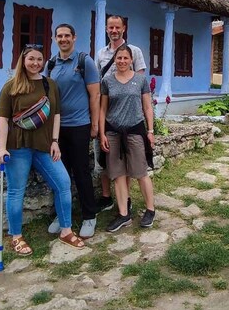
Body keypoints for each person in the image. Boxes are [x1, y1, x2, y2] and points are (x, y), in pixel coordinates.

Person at [0, 45, 86, 255]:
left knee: (63, 183)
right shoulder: (10, 87)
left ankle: (65, 231)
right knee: (16, 191)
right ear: (23, 60)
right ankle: (16, 236)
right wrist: (1, 149)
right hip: (18, 147)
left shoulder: (49, 85)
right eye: (31, 59)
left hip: (44, 146)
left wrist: (54, 141)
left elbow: (56, 115)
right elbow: (2, 121)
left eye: (39, 59)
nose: (35, 63)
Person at [44, 24, 101, 238]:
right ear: (55, 38)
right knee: (61, 174)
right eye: (59, 36)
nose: (63, 39)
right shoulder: (51, 64)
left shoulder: (84, 61)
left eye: (67, 35)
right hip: (57, 128)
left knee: (81, 172)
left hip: (79, 125)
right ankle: (62, 216)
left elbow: (95, 95)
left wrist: (94, 125)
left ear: (74, 38)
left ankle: (89, 216)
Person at [100, 44, 157, 232]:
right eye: (119, 58)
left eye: (125, 58)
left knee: (141, 172)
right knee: (117, 175)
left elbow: (147, 107)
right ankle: (124, 214)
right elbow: (102, 109)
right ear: (114, 59)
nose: (122, 61)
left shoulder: (140, 80)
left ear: (131, 60)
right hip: (113, 132)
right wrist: (102, 134)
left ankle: (150, 209)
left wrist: (150, 131)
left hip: (134, 131)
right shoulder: (107, 81)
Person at [94, 15, 147, 211]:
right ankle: (107, 197)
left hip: (128, 114)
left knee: (125, 158)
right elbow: (98, 80)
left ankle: (127, 198)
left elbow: (140, 84)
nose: (114, 30)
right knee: (105, 156)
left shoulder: (135, 51)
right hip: (106, 110)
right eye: (110, 27)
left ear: (124, 28)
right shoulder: (101, 54)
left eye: (117, 27)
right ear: (106, 29)